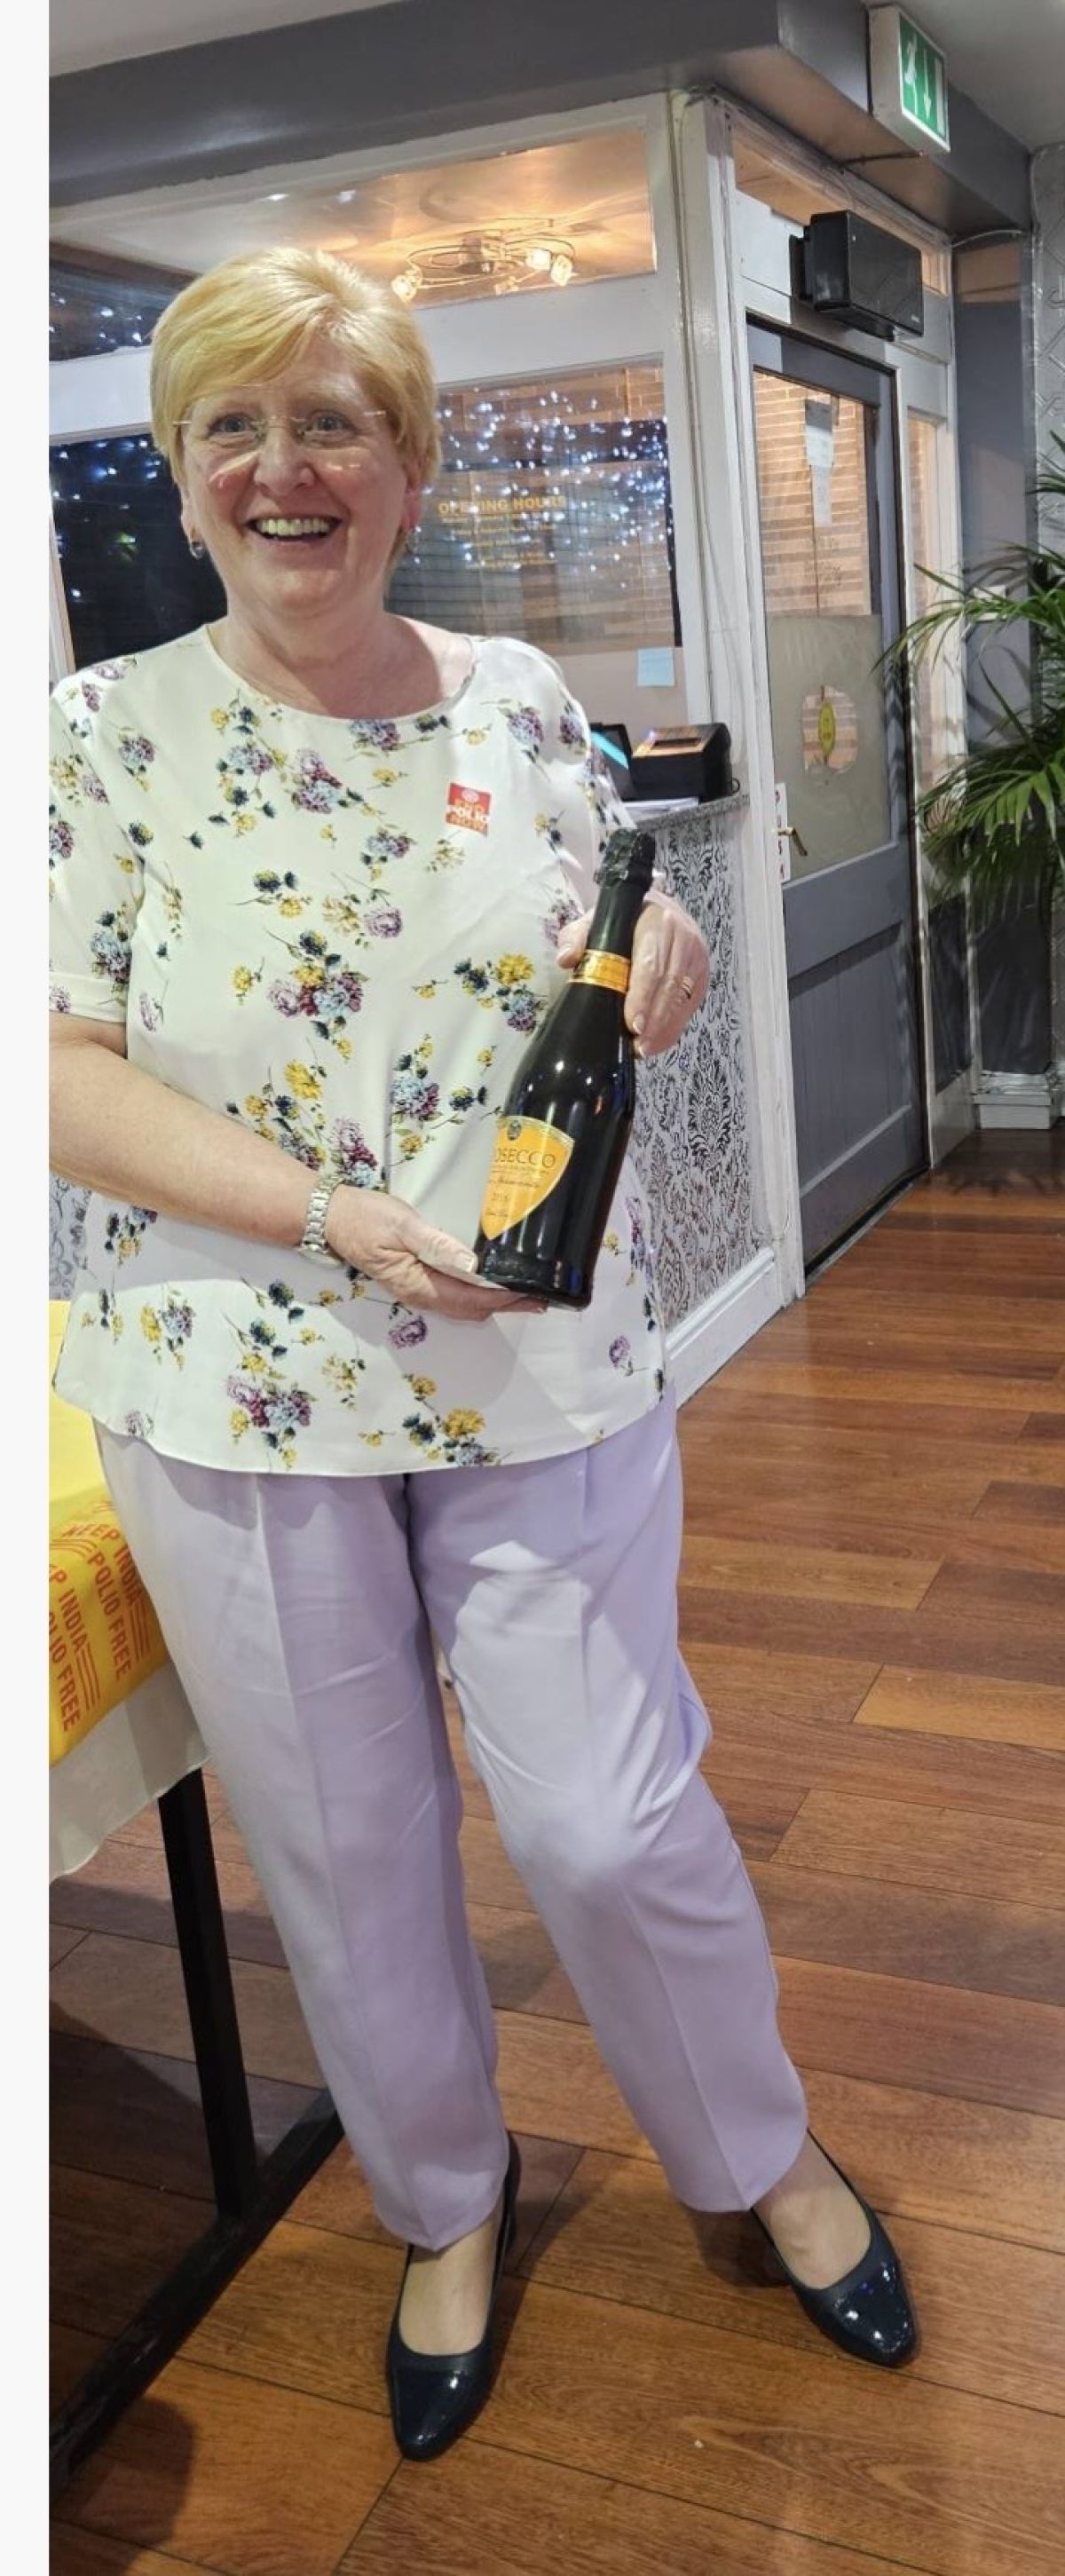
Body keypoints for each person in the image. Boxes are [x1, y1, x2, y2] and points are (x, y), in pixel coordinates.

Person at [49, 247, 918, 2463]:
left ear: (413, 467)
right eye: (233, 426)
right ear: (182, 472)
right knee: (349, 1852)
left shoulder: (521, 695)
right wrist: (328, 1215)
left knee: (609, 1819)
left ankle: (756, 2147)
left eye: (333, 420)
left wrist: (669, 949)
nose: (284, 467)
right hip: (241, 1378)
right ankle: (444, 2195)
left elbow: (593, 930)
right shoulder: (100, 738)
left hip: (538, 1357)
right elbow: (50, 1070)